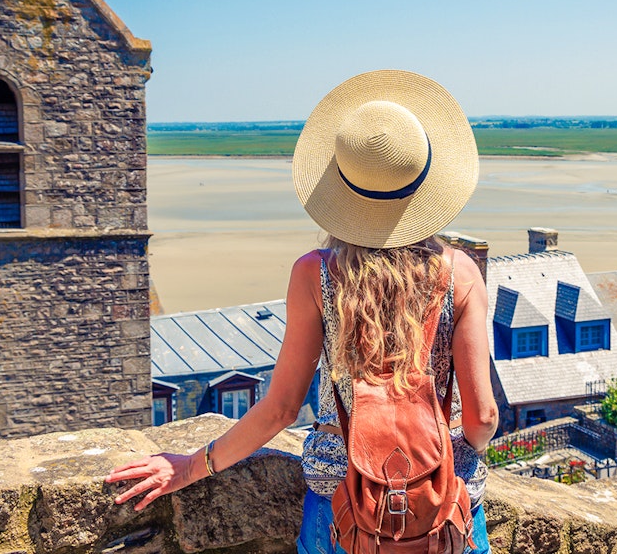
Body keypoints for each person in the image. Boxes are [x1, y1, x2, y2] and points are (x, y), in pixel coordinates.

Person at [106, 70, 499, 554]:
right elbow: (482, 416)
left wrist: (192, 466)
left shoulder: (316, 275)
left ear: (340, 188)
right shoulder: (459, 274)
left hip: (342, 507)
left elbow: (282, 409)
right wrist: (454, 455)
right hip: (445, 508)